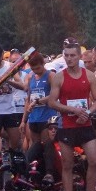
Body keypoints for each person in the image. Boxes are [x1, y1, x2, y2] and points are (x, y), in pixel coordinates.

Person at [48, 40, 96, 191]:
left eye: (73, 55)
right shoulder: (59, 77)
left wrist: (87, 113)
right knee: (67, 165)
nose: (69, 59)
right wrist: (72, 110)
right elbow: (52, 102)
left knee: (94, 160)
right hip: (67, 125)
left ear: (79, 57)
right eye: (66, 55)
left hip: (85, 124)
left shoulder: (88, 76)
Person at [22, 52, 59, 183]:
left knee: (47, 144)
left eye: (37, 68)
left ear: (43, 64)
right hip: (34, 118)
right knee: (36, 147)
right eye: (33, 69)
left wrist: (39, 101)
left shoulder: (50, 75)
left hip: (47, 117)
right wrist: (23, 120)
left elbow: (55, 95)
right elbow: (28, 99)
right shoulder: (31, 77)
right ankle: (36, 174)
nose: (35, 71)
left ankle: (50, 173)